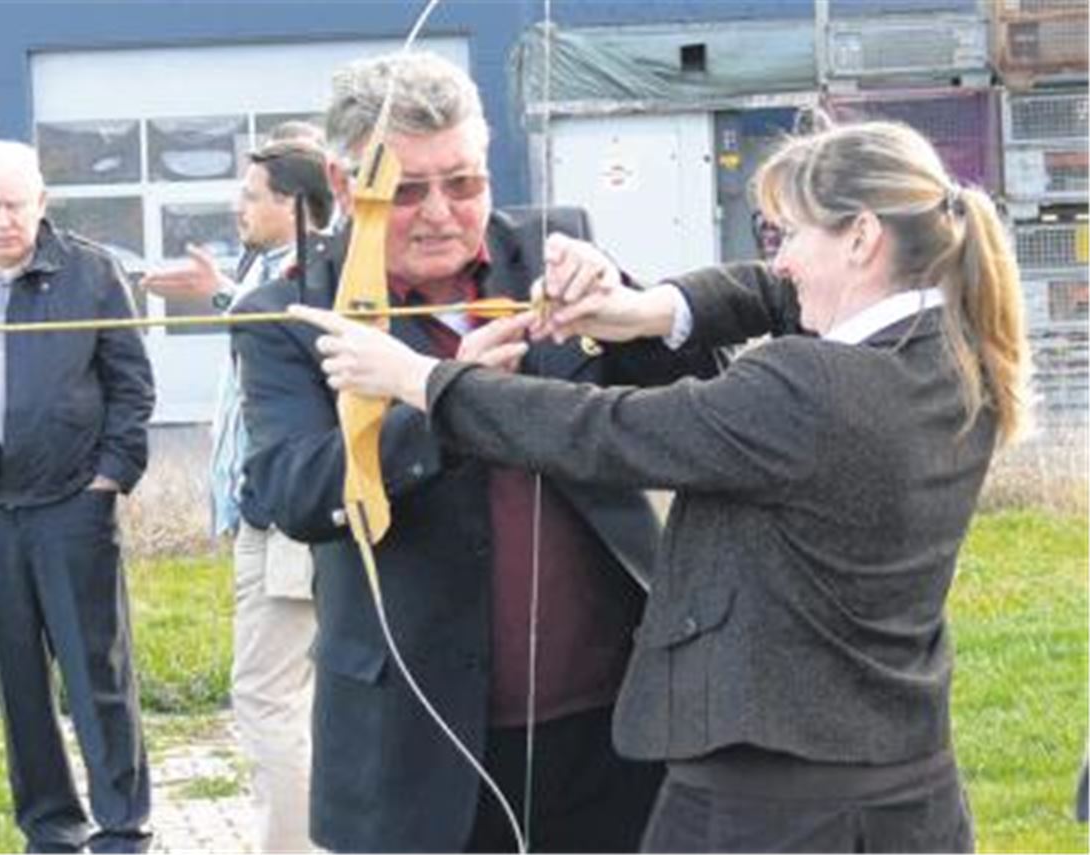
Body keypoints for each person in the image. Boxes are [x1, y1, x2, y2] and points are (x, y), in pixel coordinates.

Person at [298, 118, 1031, 853]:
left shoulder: (811, 386)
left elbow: (605, 430)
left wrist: (419, 380)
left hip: (771, 803)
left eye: (790, 236)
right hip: (906, 783)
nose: (779, 263)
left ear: (863, 237)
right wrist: (647, 308)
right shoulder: (954, 349)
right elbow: (772, 297)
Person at [231, 51, 680, 853]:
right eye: (407, 191)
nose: (442, 211)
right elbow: (293, 491)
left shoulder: (554, 248)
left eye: (464, 182)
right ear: (346, 187)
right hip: (416, 739)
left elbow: (685, 395)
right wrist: (442, 402)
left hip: (612, 716)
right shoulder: (292, 311)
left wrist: (633, 310)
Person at [0, 140, 156, 852]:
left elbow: (132, 385)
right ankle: (50, 826)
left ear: (43, 201)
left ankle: (122, 823)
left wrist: (111, 477)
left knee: (97, 665)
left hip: (74, 501)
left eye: (17, 203)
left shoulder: (92, 272)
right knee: (16, 677)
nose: (4, 219)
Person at [140, 137, 333, 853]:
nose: (238, 205)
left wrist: (225, 293)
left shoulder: (314, 277)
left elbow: (284, 332)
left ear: (292, 203)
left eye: (251, 195)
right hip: (264, 514)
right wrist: (222, 288)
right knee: (296, 696)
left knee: (265, 695)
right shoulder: (269, 272)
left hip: (287, 519)